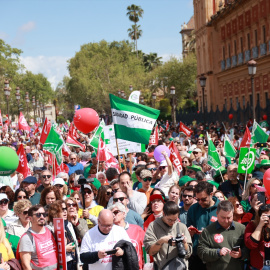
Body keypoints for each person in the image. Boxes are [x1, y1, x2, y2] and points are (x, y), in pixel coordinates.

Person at [197, 200, 248, 270]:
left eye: (229, 217)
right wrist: (217, 252)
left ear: (233, 214)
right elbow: (201, 252)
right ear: (217, 213)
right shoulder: (208, 231)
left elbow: (249, 249)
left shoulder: (242, 229)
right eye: (223, 218)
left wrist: (241, 254)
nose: (226, 221)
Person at [144, 201, 192, 269]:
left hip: (180, 267)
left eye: (175, 220)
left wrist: (184, 243)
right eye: (169, 220)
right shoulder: (153, 226)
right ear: (163, 214)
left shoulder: (182, 227)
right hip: (162, 267)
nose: (172, 223)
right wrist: (161, 241)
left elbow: (188, 254)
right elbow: (150, 252)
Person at [187, 181, 220, 270]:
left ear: (211, 194)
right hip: (197, 255)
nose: (200, 202)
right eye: (198, 199)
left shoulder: (221, 207)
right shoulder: (193, 209)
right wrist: (190, 232)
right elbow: (188, 230)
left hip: (216, 254)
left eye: (203, 199)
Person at [18, 204, 58, 270]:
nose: (42, 217)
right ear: (30, 218)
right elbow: (25, 265)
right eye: (38, 215)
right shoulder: (27, 238)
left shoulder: (49, 230)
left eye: (44, 214)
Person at [108, 202, 145, 270]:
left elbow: (145, 249)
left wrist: (146, 265)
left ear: (124, 213)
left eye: (116, 212)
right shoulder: (109, 232)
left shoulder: (137, 229)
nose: (113, 215)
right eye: (111, 213)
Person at [245, 204, 270, 269]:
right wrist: (260, 225)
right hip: (259, 266)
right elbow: (250, 245)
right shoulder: (252, 225)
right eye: (265, 216)